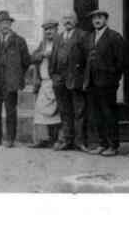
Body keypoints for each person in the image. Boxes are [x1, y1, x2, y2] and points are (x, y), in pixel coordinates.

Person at [0, 10, 31, 148]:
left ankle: (10, 139)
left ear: (10, 24)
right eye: (1, 23)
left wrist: (16, 74)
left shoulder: (19, 41)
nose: (4, 25)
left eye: (7, 23)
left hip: (11, 81)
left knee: (10, 112)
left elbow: (26, 61)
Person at [83, 8, 125, 156]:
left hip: (107, 83)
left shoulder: (114, 37)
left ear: (106, 20)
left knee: (109, 114)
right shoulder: (89, 37)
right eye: (94, 18)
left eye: (100, 17)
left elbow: (120, 62)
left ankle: (113, 145)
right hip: (92, 82)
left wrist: (114, 80)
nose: (97, 20)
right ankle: (102, 143)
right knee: (97, 114)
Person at [50, 11, 88, 152]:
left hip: (76, 80)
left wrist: (84, 79)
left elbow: (86, 60)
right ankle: (67, 140)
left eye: (71, 18)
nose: (68, 21)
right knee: (65, 112)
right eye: (65, 18)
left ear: (76, 21)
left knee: (79, 112)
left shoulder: (82, 35)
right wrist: (54, 76)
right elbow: (53, 59)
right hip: (60, 81)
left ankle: (80, 142)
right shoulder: (58, 37)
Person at [29, 20, 62, 148]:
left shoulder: (60, 43)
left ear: (56, 30)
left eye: (51, 29)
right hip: (43, 82)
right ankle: (43, 139)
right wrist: (42, 55)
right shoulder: (42, 44)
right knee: (41, 111)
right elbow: (32, 57)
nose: (48, 32)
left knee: (56, 112)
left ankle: (56, 139)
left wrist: (52, 55)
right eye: (46, 29)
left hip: (55, 82)